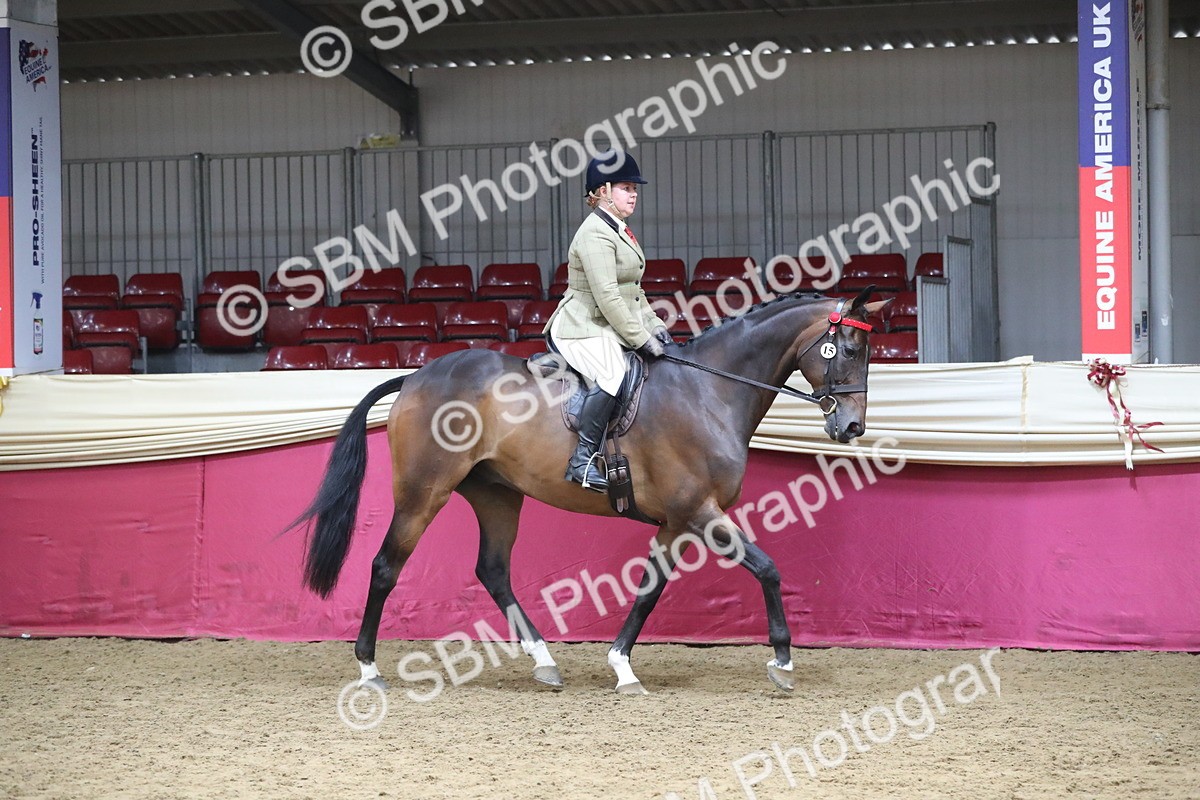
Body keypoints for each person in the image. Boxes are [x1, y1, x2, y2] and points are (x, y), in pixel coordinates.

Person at [544, 151, 673, 492]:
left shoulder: (620, 230)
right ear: (602, 191)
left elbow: (632, 291)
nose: (634, 194)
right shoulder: (595, 235)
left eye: (635, 188)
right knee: (613, 372)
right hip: (580, 326)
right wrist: (640, 338)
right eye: (626, 187)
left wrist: (655, 325)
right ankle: (582, 461)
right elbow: (608, 298)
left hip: (604, 323)